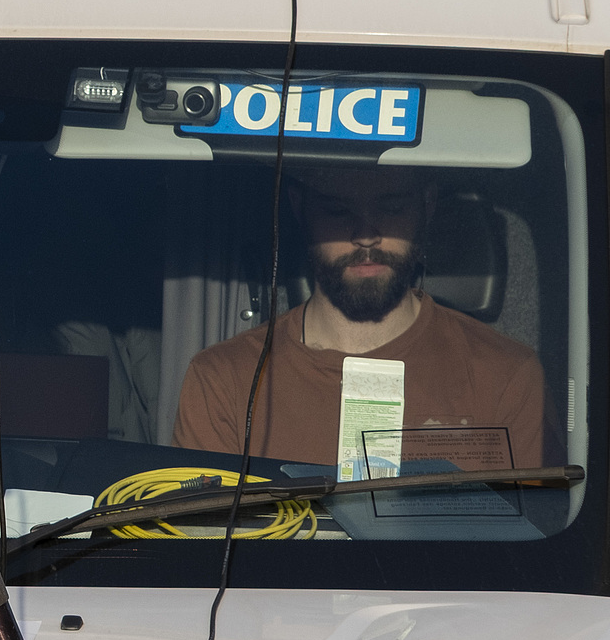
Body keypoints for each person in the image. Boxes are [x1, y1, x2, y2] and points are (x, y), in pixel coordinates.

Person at [172, 166, 549, 468]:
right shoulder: (224, 380)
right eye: (338, 211)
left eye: (391, 208)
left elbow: (520, 553)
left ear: (427, 203)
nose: (366, 235)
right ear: (300, 207)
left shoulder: (503, 376)